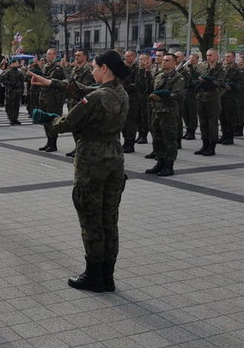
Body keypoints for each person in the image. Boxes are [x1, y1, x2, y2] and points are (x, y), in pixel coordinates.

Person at [31, 50, 129, 292]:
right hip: (114, 157)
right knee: (109, 218)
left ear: (105, 68)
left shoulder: (96, 99)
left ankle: (93, 275)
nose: (93, 71)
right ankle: (107, 275)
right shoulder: (120, 92)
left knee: (90, 218)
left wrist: (46, 119)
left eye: (95, 67)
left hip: (92, 161)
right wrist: (51, 82)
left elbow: (66, 123)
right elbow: (85, 89)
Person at [145, 52, 183, 177]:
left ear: (174, 63)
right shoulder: (159, 76)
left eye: (167, 60)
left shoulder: (178, 77)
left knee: (169, 139)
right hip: (157, 111)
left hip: (169, 112)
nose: (164, 62)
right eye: (163, 60)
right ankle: (159, 162)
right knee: (157, 138)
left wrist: (162, 97)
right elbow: (152, 89)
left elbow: (178, 94)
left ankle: (169, 165)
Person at [195, 48, 225, 156]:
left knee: (212, 124)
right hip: (201, 98)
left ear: (216, 56)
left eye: (211, 55)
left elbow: (219, 83)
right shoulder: (204, 68)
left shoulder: (221, 69)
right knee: (203, 123)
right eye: (207, 55)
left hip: (212, 99)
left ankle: (212, 146)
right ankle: (205, 144)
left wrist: (207, 81)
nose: (208, 57)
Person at [37, 48, 67, 152]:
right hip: (44, 98)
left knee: (53, 122)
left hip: (54, 100)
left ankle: (53, 143)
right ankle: (48, 141)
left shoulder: (58, 68)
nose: (47, 56)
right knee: (46, 121)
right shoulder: (46, 66)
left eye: (49, 54)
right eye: (47, 54)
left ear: (54, 55)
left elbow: (53, 81)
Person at [218, 51, 244, 145]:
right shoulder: (223, 68)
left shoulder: (238, 70)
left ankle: (230, 137)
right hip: (222, 95)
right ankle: (224, 135)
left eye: (228, 57)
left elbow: (241, 85)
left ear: (233, 58)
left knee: (230, 118)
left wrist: (232, 86)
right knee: (222, 117)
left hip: (232, 97)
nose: (226, 58)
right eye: (225, 57)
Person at [1, 58, 24, 125]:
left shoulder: (19, 72)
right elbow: (2, 79)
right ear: (12, 64)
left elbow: (22, 81)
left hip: (18, 91)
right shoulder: (8, 71)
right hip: (11, 91)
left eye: (17, 62)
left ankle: (15, 118)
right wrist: (9, 84)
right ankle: (11, 119)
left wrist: (22, 89)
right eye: (16, 62)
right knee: (10, 105)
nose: (17, 64)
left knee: (17, 105)